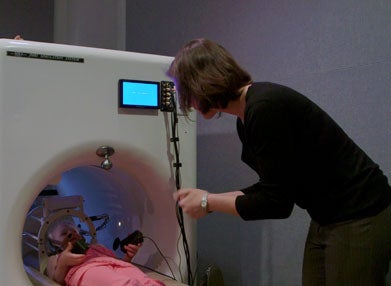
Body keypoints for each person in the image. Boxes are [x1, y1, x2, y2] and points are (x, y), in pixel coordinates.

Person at [168, 38, 391, 286]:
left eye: (187, 93)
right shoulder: (246, 118)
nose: (187, 103)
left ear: (203, 84)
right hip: (326, 216)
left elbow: (276, 204)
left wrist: (208, 201)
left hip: (360, 211)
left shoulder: (264, 108)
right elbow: (272, 187)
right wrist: (207, 200)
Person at [46, 216, 164, 286]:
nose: (70, 233)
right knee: (118, 282)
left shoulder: (96, 247)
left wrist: (128, 257)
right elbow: (56, 280)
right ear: (55, 244)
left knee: (143, 279)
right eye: (63, 233)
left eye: (73, 231)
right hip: (86, 270)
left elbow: (116, 264)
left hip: (115, 265)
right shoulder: (57, 257)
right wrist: (63, 263)